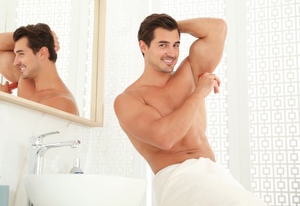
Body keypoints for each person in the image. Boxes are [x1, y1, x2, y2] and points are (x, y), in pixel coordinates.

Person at [113, 14, 266, 205]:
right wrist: (199, 93)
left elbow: (217, 28)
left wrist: (172, 27)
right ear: (143, 46)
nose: (172, 53)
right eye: (162, 45)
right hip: (177, 179)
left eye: (175, 44)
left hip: (213, 173)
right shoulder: (129, 99)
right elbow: (165, 138)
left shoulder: (190, 71)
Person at [0, 23, 79, 116]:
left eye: (21, 54)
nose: (15, 62)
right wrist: (47, 38)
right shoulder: (26, 80)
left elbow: (21, 130)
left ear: (42, 53)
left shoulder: (62, 103)